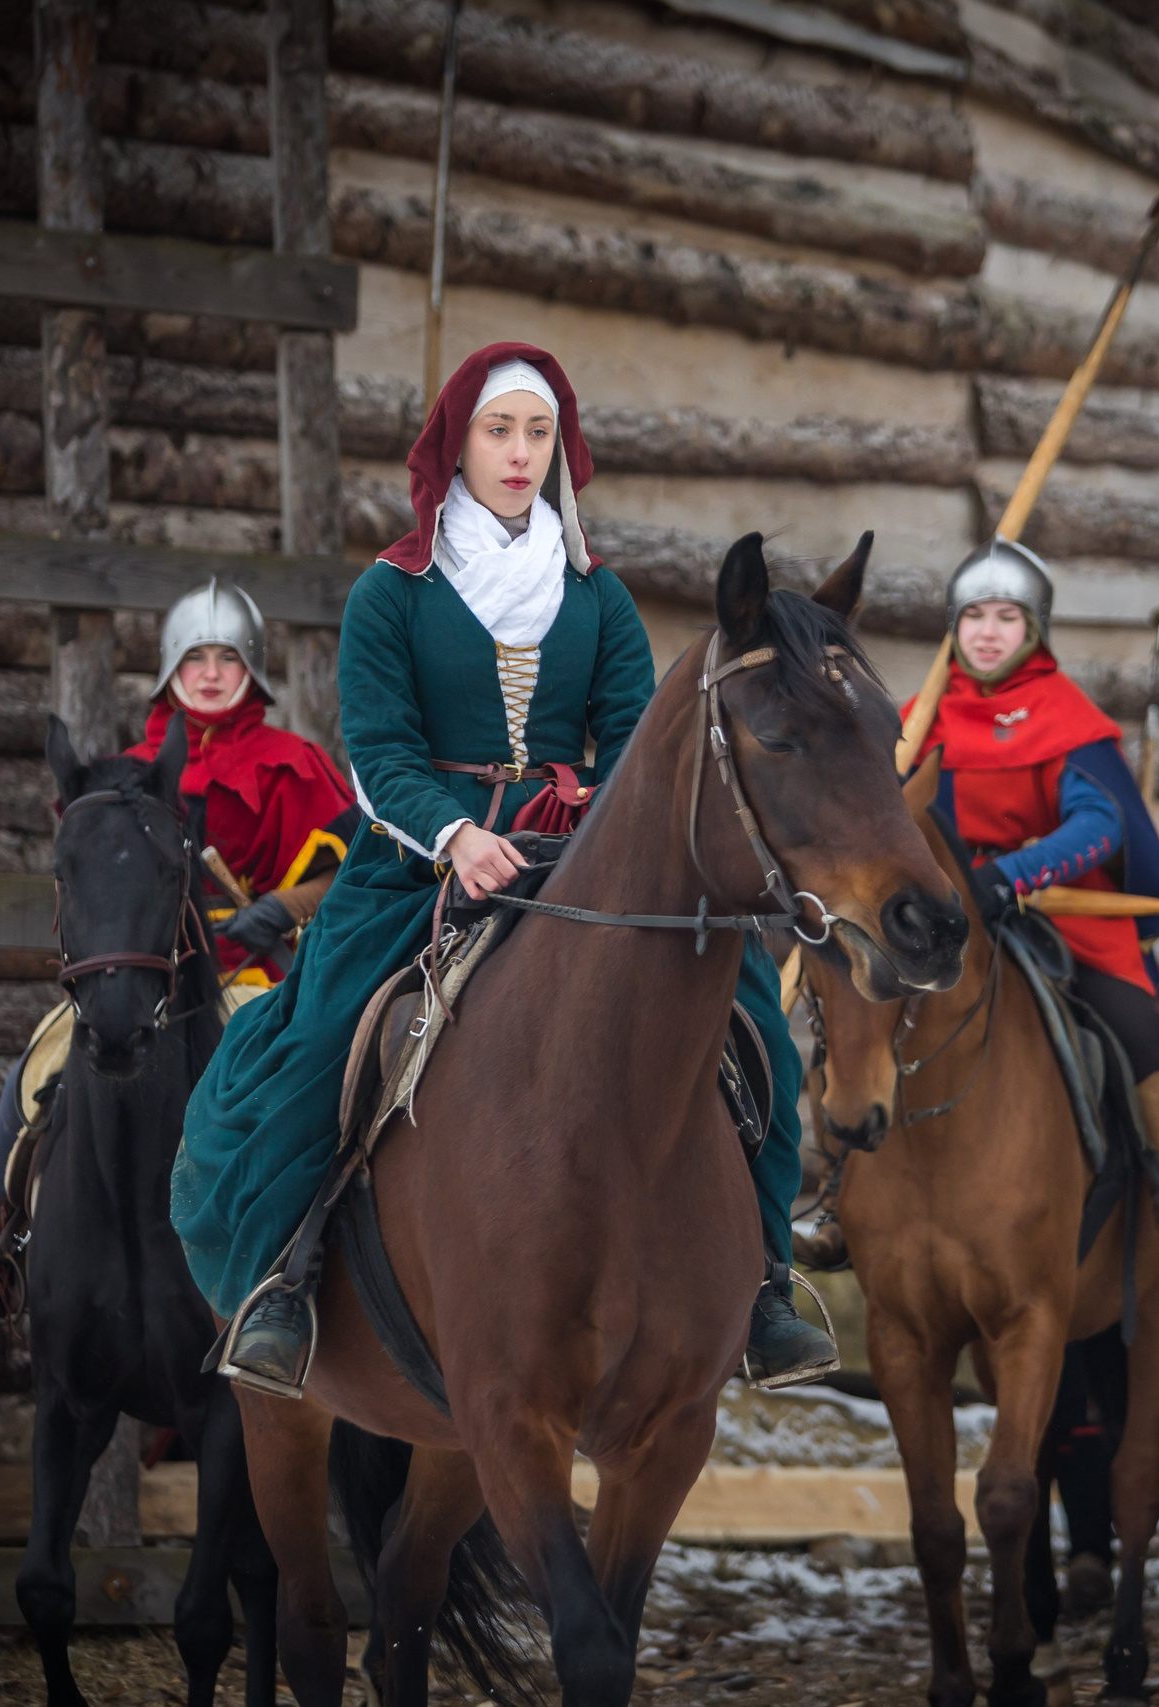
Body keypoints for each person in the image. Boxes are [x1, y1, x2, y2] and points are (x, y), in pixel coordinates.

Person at [169, 343, 837, 1395]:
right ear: (458, 445)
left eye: (537, 433)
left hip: (587, 855)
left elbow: (629, 743)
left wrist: (600, 837)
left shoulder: (599, 598)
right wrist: (458, 836)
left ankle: (766, 1290)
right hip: (421, 863)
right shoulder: (391, 593)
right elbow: (379, 754)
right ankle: (286, 1286)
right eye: (498, 432)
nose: (520, 453)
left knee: (751, 1018)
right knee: (323, 1041)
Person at [0, 580, 361, 1323]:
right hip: (140, 977)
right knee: (34, 1068)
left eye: (225, 658)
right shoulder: (123, 772)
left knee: (289, 1080)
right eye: (193, 657)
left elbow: (343, 869)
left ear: (251, 670)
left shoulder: (291, 761)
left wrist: (281, 908)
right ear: (170, 670)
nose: (208, 673)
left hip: (247, 969)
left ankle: (306, 1254)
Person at [904, 539, 1159, 1264]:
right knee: (866, 1016)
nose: (987, 631)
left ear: (1033, 629)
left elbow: (1100, 824)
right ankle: (849, 1196)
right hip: (950, 915)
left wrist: (1012, 876)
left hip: (1060, 912)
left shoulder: (1065, 715)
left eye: (1007, 616)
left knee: (1138, 1028)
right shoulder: (920, 717)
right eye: (974, 615)